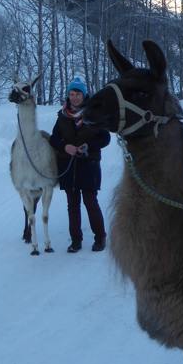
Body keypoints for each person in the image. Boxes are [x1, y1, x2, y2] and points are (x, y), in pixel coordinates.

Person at [50, 75, 110, 253]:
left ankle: (100, 237)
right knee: (72, 204)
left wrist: (89, 146)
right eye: (72, 94)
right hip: (68, 165)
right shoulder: (62, 116)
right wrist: (64, 146)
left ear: (84, 95)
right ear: (68, 96)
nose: (74, 97)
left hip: (88, 164)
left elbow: (105, 138)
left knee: (90, 202)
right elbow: (54, 138)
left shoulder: (94, 114)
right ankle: (76, 240)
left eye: (78, 94)